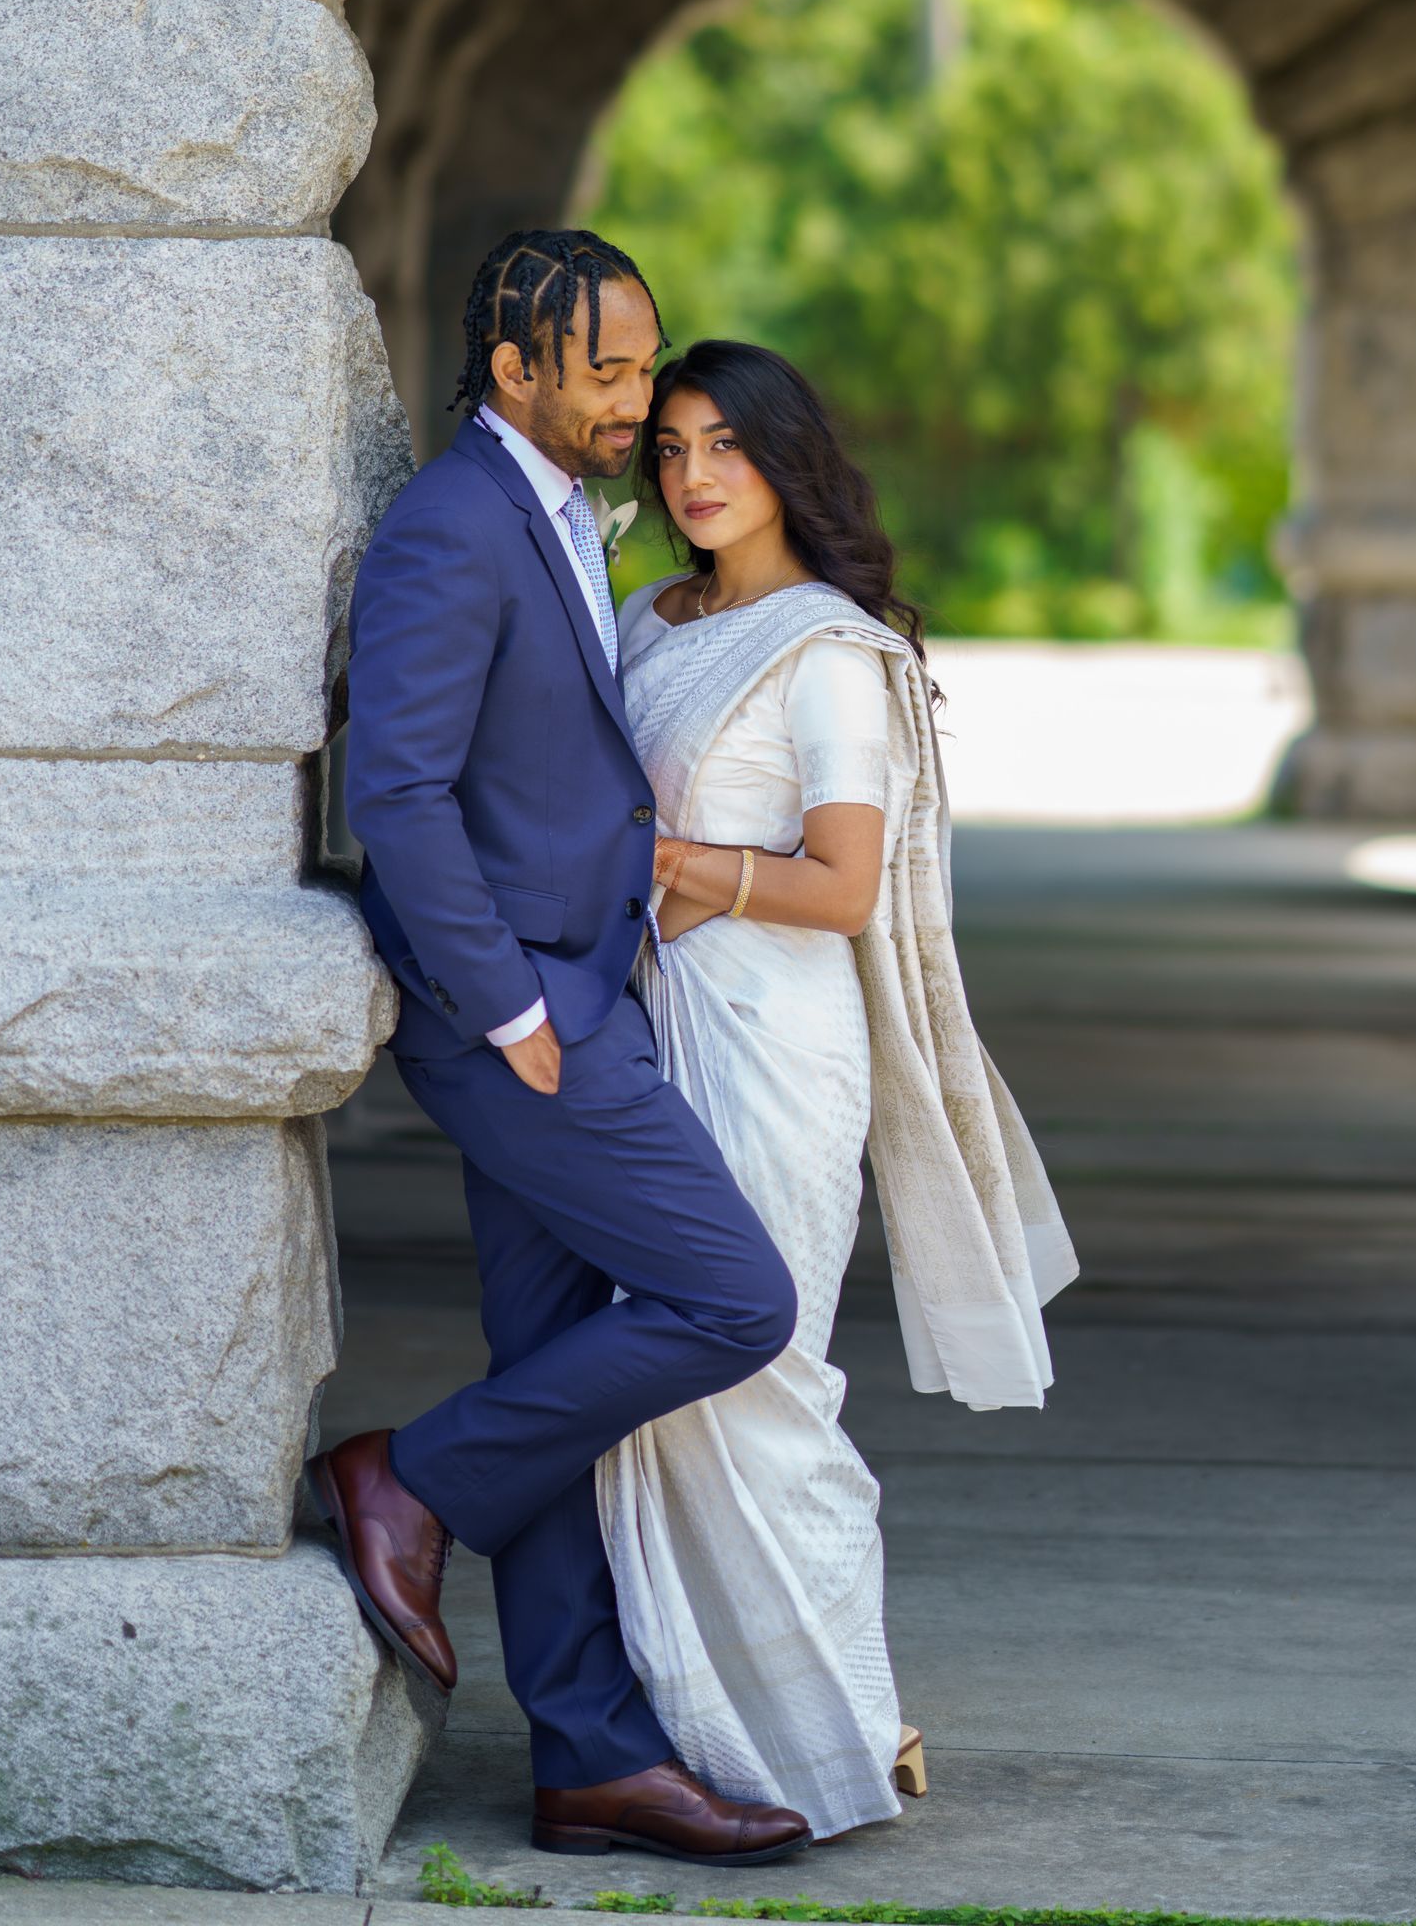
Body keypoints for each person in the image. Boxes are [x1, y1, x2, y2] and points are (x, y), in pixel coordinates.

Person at [309, 233, 812, 1868]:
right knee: (735, 1298)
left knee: (557, 1373)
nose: (636, 398)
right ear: (511, 370)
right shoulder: (452, 524)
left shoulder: (557, 511)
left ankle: (587, 1755)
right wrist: (516, 1014)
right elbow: (395, 793)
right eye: (603, 369)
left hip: (580, 991)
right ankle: (409, 1476)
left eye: (642, 360)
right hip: (520, 1025)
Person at [601, 340, 1077, 1841]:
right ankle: (700, 1736)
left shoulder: (826, 650)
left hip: (775, 1047)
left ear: (785, 458)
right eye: (669, 446)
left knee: (760, 1374)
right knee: (652, 1385)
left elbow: (848, 882)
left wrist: (683, 869)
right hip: (649, 1031)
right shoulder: (646, 621)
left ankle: (838, 1736)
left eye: (725, 444)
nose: (693, 475)